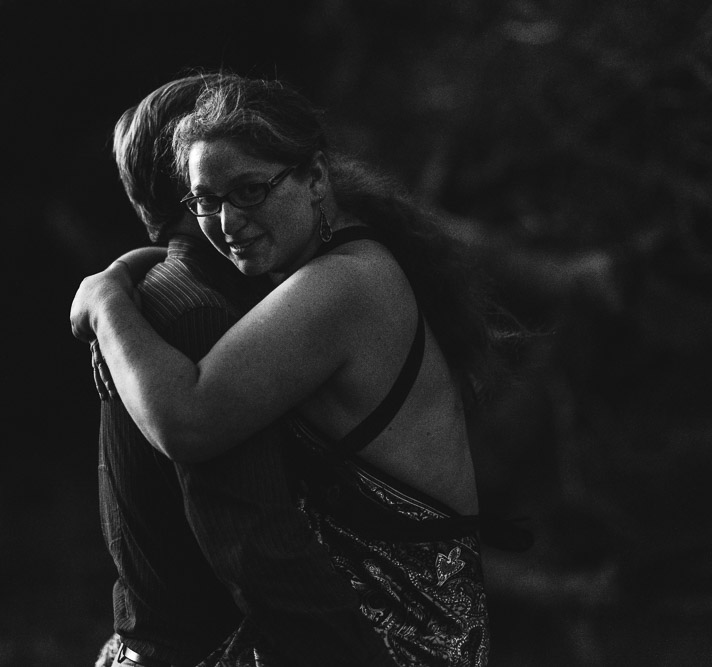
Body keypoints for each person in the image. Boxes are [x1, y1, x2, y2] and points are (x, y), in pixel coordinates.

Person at [73, 74, 530, 666]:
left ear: (315, 178)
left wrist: (106, 303)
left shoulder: (344, 285)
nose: (228, 222)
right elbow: (188, 253)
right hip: (368, 615)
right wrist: (133, 268)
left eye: (250, 191)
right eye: (206, 200)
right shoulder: (325, 256)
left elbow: (186, 420)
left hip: (408, 635)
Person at [92, 74, 390, 667]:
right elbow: (254, 543)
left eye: (251, 188)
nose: (231, 219)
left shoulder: (163, 299)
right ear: (190, 181)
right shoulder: (199, 315)